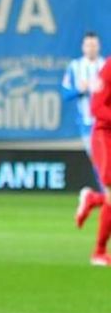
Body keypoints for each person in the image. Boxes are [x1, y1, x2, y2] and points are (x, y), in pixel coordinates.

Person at [64, 32, 106, 228]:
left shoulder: (105, 65)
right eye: (88, 45)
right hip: (91, 126)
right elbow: (65, 93)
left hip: (108, 124)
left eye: (94, 45)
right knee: (103, 169)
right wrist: (79, 90)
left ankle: (93, 198)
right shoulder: (75, 67)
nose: (91, 49)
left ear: (99, 47)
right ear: (83, 47)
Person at [84, 57, 111, 266]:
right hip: (105, 135)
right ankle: (99, 252)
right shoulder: (108, 69)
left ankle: (93, 199)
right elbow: (96, 108)